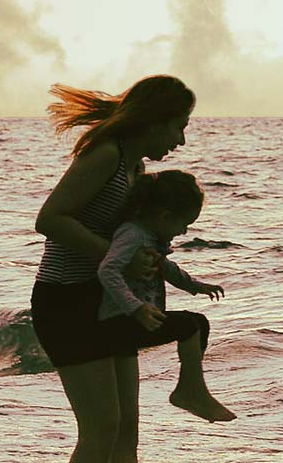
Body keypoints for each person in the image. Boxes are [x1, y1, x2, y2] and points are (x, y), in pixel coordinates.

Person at [31, 74, 205, 463]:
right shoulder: (106, 156)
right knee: (101, 426)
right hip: (65, 299)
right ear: (153, 121)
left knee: (127, 426)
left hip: (107, 301)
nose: (181, 139)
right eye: (178, 126)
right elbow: (49, 219)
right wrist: (115, 258)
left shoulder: (135, 170)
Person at [96, 169, 234, 425]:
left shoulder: (149, 236)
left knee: (199, 322)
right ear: (165, 216)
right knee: (187, 326)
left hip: (135, 319)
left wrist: (196, 286)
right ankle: (190, 391)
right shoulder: (132, 234)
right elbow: (107, 269)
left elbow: (167, 268)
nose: (183, 232)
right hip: (118, 321)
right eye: (183, 224)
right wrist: (135, 307)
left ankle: (190, 386)